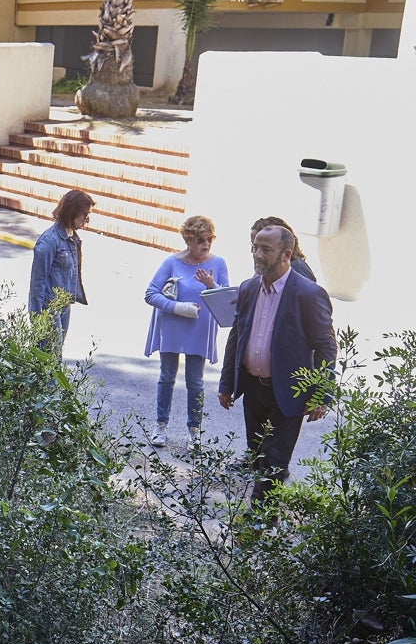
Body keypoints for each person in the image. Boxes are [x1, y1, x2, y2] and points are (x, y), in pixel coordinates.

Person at [218, 225, 337, 503]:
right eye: (255, 247)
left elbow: (326, 346)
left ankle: (258, 526)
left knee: (273, 462)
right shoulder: (248, 288)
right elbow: (237, 335)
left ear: (286, 254)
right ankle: (265, 521)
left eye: (265, 249)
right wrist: (227, 382)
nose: (257, 254)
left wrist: (320, 394)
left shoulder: (308, 294)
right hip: (253, 389)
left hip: (288, 393)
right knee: (258, 457)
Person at [144, 215, 229, 448]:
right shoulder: (171, 262)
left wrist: (212, 285)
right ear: (188, 240)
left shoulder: (218, 263)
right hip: (172, 325)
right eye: (201, 239)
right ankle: (160, 426)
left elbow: (226, 299)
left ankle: (194, 431)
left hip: (199, 330)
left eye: (210, 239)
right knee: (167, 376)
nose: (206, 244)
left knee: (195, 381)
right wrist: (178, 308)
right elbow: (151, 294)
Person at [28, 189, 93, 346]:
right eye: (85, 215)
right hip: (48, 308)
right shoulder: (49, 241)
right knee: (48, 357)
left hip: (63, 305)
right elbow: (37, 283)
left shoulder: (72, 238)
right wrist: (38, 319)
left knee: (55, 356)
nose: (87, 220)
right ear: (73, 212)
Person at [250, 216, 315, 282]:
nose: (256, 254)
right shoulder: (267, 266)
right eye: (254, 246)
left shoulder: (297, 269)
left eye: (266, 249)